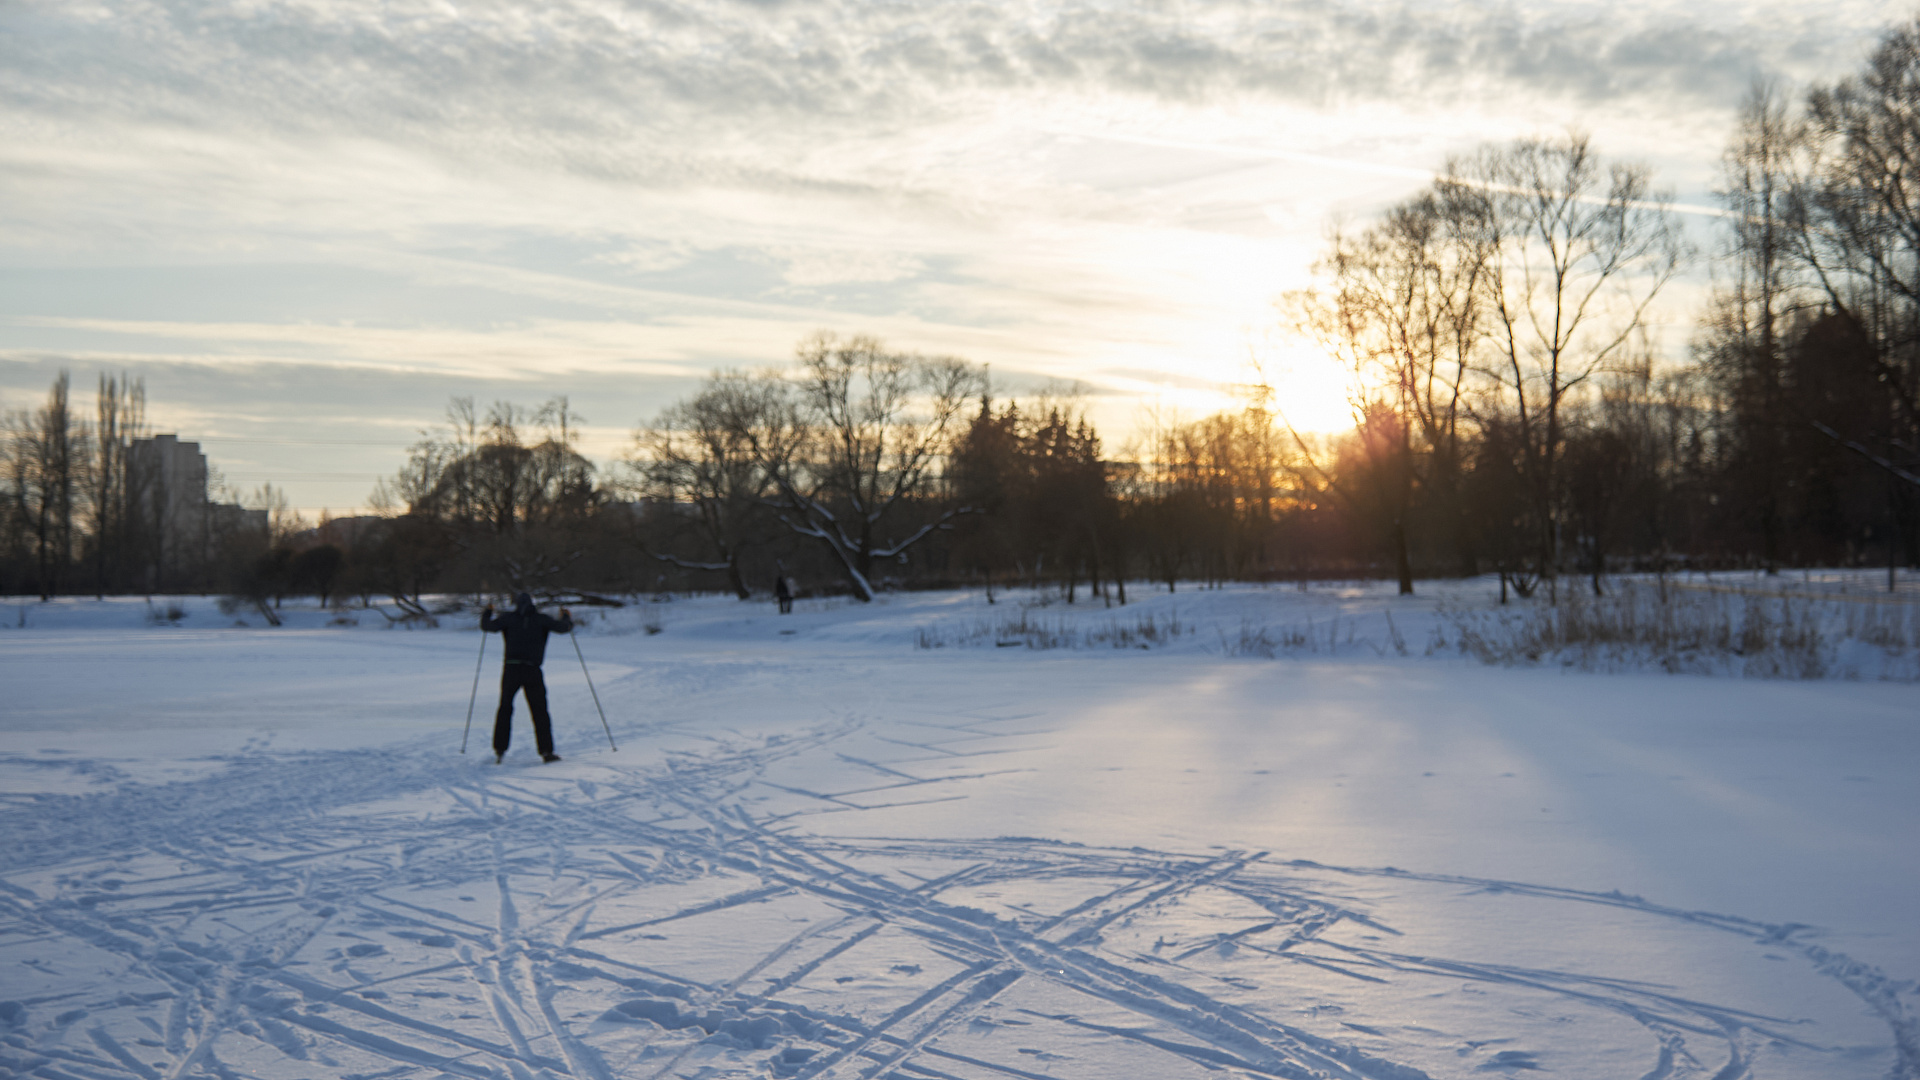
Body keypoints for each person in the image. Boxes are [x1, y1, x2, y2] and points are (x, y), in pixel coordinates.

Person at [480, 593, 573, 764]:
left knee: (505, 708)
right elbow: (563, 628)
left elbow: (487, 626)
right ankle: (546, 751)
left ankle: (500, 749)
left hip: (511, 669)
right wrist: (566, 616)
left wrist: (488, 612)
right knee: (540, 711)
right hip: (532, 670)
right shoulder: (541, 619)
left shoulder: (508, 618)